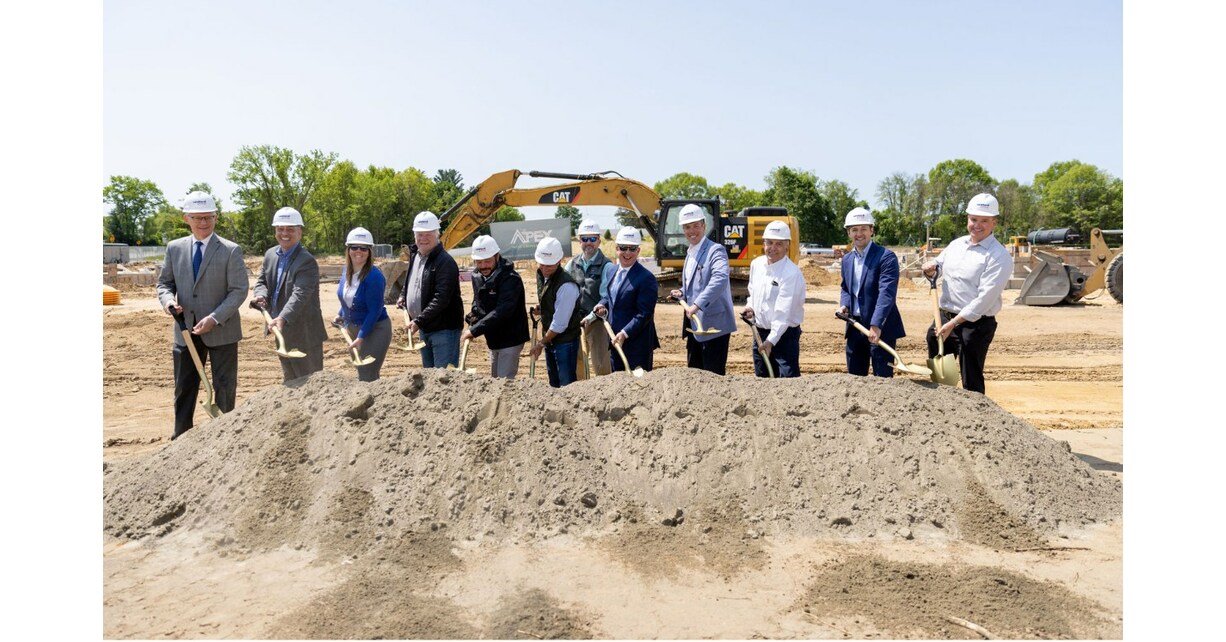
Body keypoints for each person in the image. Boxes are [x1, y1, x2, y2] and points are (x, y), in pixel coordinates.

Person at [156, 191, 249, 439]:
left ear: (216, 217)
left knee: (224, 388)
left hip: (222, 330)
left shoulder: (230, 250)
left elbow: (239, 290)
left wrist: (215, 318)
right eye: (198, 218)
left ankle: (225, 439)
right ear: (187, 218)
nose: (203, 223)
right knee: (184, 388)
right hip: (185, 331)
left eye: (208, 217)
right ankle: (181, 437)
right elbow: (164, 284)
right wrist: (168, 303)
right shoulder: (174, 249)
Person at [921, 193, 1013, 394]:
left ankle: (975, 421)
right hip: (944, 317)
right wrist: (932, 265)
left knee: (970, 381)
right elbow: (940, 264)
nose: (977, 225)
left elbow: (983, 300)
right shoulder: (957, 245)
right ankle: (940, 412)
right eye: (973, 219)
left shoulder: (999, 256)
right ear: (967, 219)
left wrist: (954, 324)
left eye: (984, 221)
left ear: (994, 222)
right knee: (939, 378)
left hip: (974, 326)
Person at [252, 207, 327, 384]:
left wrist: (283, 317)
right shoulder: (270, 255)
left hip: (304, 334)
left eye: (290, 229)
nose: (284, 233)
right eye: (280, 228)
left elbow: (300, 294)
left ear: (299, 232)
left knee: (310, 385)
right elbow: (262, 281)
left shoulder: (306, 261)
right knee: (290, 383)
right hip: (280, 330)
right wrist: (261, 295)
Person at [837, 207, 905, 378]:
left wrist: (876, 324)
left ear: (872, 230)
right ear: (849, 233)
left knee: (882, 381)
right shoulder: (847, 260)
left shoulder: (886, 257)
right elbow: (846, 287)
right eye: (854, 230)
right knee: (855, 380)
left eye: (863, 229)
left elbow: (886, 294)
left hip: (880, 327)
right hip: (855, 326)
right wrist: (844, 304)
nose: (859, 234)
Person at [669, 203, 735, 375]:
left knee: (712, 377)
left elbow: (719, 279)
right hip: (694, 327)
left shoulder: (716, 250)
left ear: (704, 225)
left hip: (713, 326)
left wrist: (696, 304)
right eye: (687, 227)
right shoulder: (690, 252)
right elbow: (695, 284)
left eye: (696, 226)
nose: (692, 231)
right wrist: (682, 292)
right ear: (683, 229)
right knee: (695, 377)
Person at [397, 211, 464, 368]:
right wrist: (403, 296)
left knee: (443, 379)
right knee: (429, 378)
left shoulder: (445, 263)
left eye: (428, 234)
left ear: (437, 235)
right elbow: (412, 280)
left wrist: (419, 321)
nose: (423, 238)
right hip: (425, 327)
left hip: (444, 330)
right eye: (419, 234)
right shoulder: (416, 255)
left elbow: (441, 298)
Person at [591, 227, 659, 373]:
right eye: (623, 248)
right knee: (619, 388)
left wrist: (625, 333)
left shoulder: (646, 278)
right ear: (616, 249)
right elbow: (609, 297)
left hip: (637, 346)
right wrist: (601, 305)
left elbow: (645, 313)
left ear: (638, 251)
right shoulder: (611, 271)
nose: (627, 253)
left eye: (632, 249)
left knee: (639, 388)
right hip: (615, 341)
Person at [742, 220, 804, 377]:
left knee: (787, 383)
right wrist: (750, 307)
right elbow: (753, 292)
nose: (772, 248)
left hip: (784, 337)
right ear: (763, 243)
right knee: (762, 380)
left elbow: (783, 312)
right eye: (769, 243)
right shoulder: (756, 265)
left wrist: (771, 341)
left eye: (778, 244)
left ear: (787, 246)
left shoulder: (791, 273)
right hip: (759, 332)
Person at [461, 235, 529, 378]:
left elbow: (502, 311)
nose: (483, 266)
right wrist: (473, 316)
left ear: (497, 257)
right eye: (479, 262)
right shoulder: (477, 276)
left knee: (504, 382)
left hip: (511, 337)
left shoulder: (510, 278)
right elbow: (477, 301)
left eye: (487, 261)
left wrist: (475, 330)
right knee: (495, 380)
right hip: (493, 337)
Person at [334, 227, 392, 381]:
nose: (358, 251)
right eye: (354, 247)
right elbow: (348, 298)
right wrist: (340, 314)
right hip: (353, 328)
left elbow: (375, 310)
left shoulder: (374, 277)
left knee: (368, 374)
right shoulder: (347, 271)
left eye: (363, 248)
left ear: (369, 251)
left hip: (375, 329)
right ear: (348, 250)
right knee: (361, 372)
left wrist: (361, 337)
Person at [530, 236, 583, 387]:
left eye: (550, 266)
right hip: (551, 339)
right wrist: (543, 309)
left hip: (565, 341)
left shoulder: (567, 286)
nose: (545, 269)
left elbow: (559, 324)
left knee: (566, 385)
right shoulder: (542, 275)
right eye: (542, 264)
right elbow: (551, 299)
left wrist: (541, 344)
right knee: (553, 383)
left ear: (559, 261)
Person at [566, 219, 615, 377]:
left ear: (599, 241)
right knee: (578, 363)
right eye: (584, 239)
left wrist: (591, 316)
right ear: (579, 241)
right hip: (576, 322)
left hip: (597, 323)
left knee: (601, 365)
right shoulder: (571, 264)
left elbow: (606, 296)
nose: (589, 243)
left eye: (592, 239)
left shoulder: (607, 266)